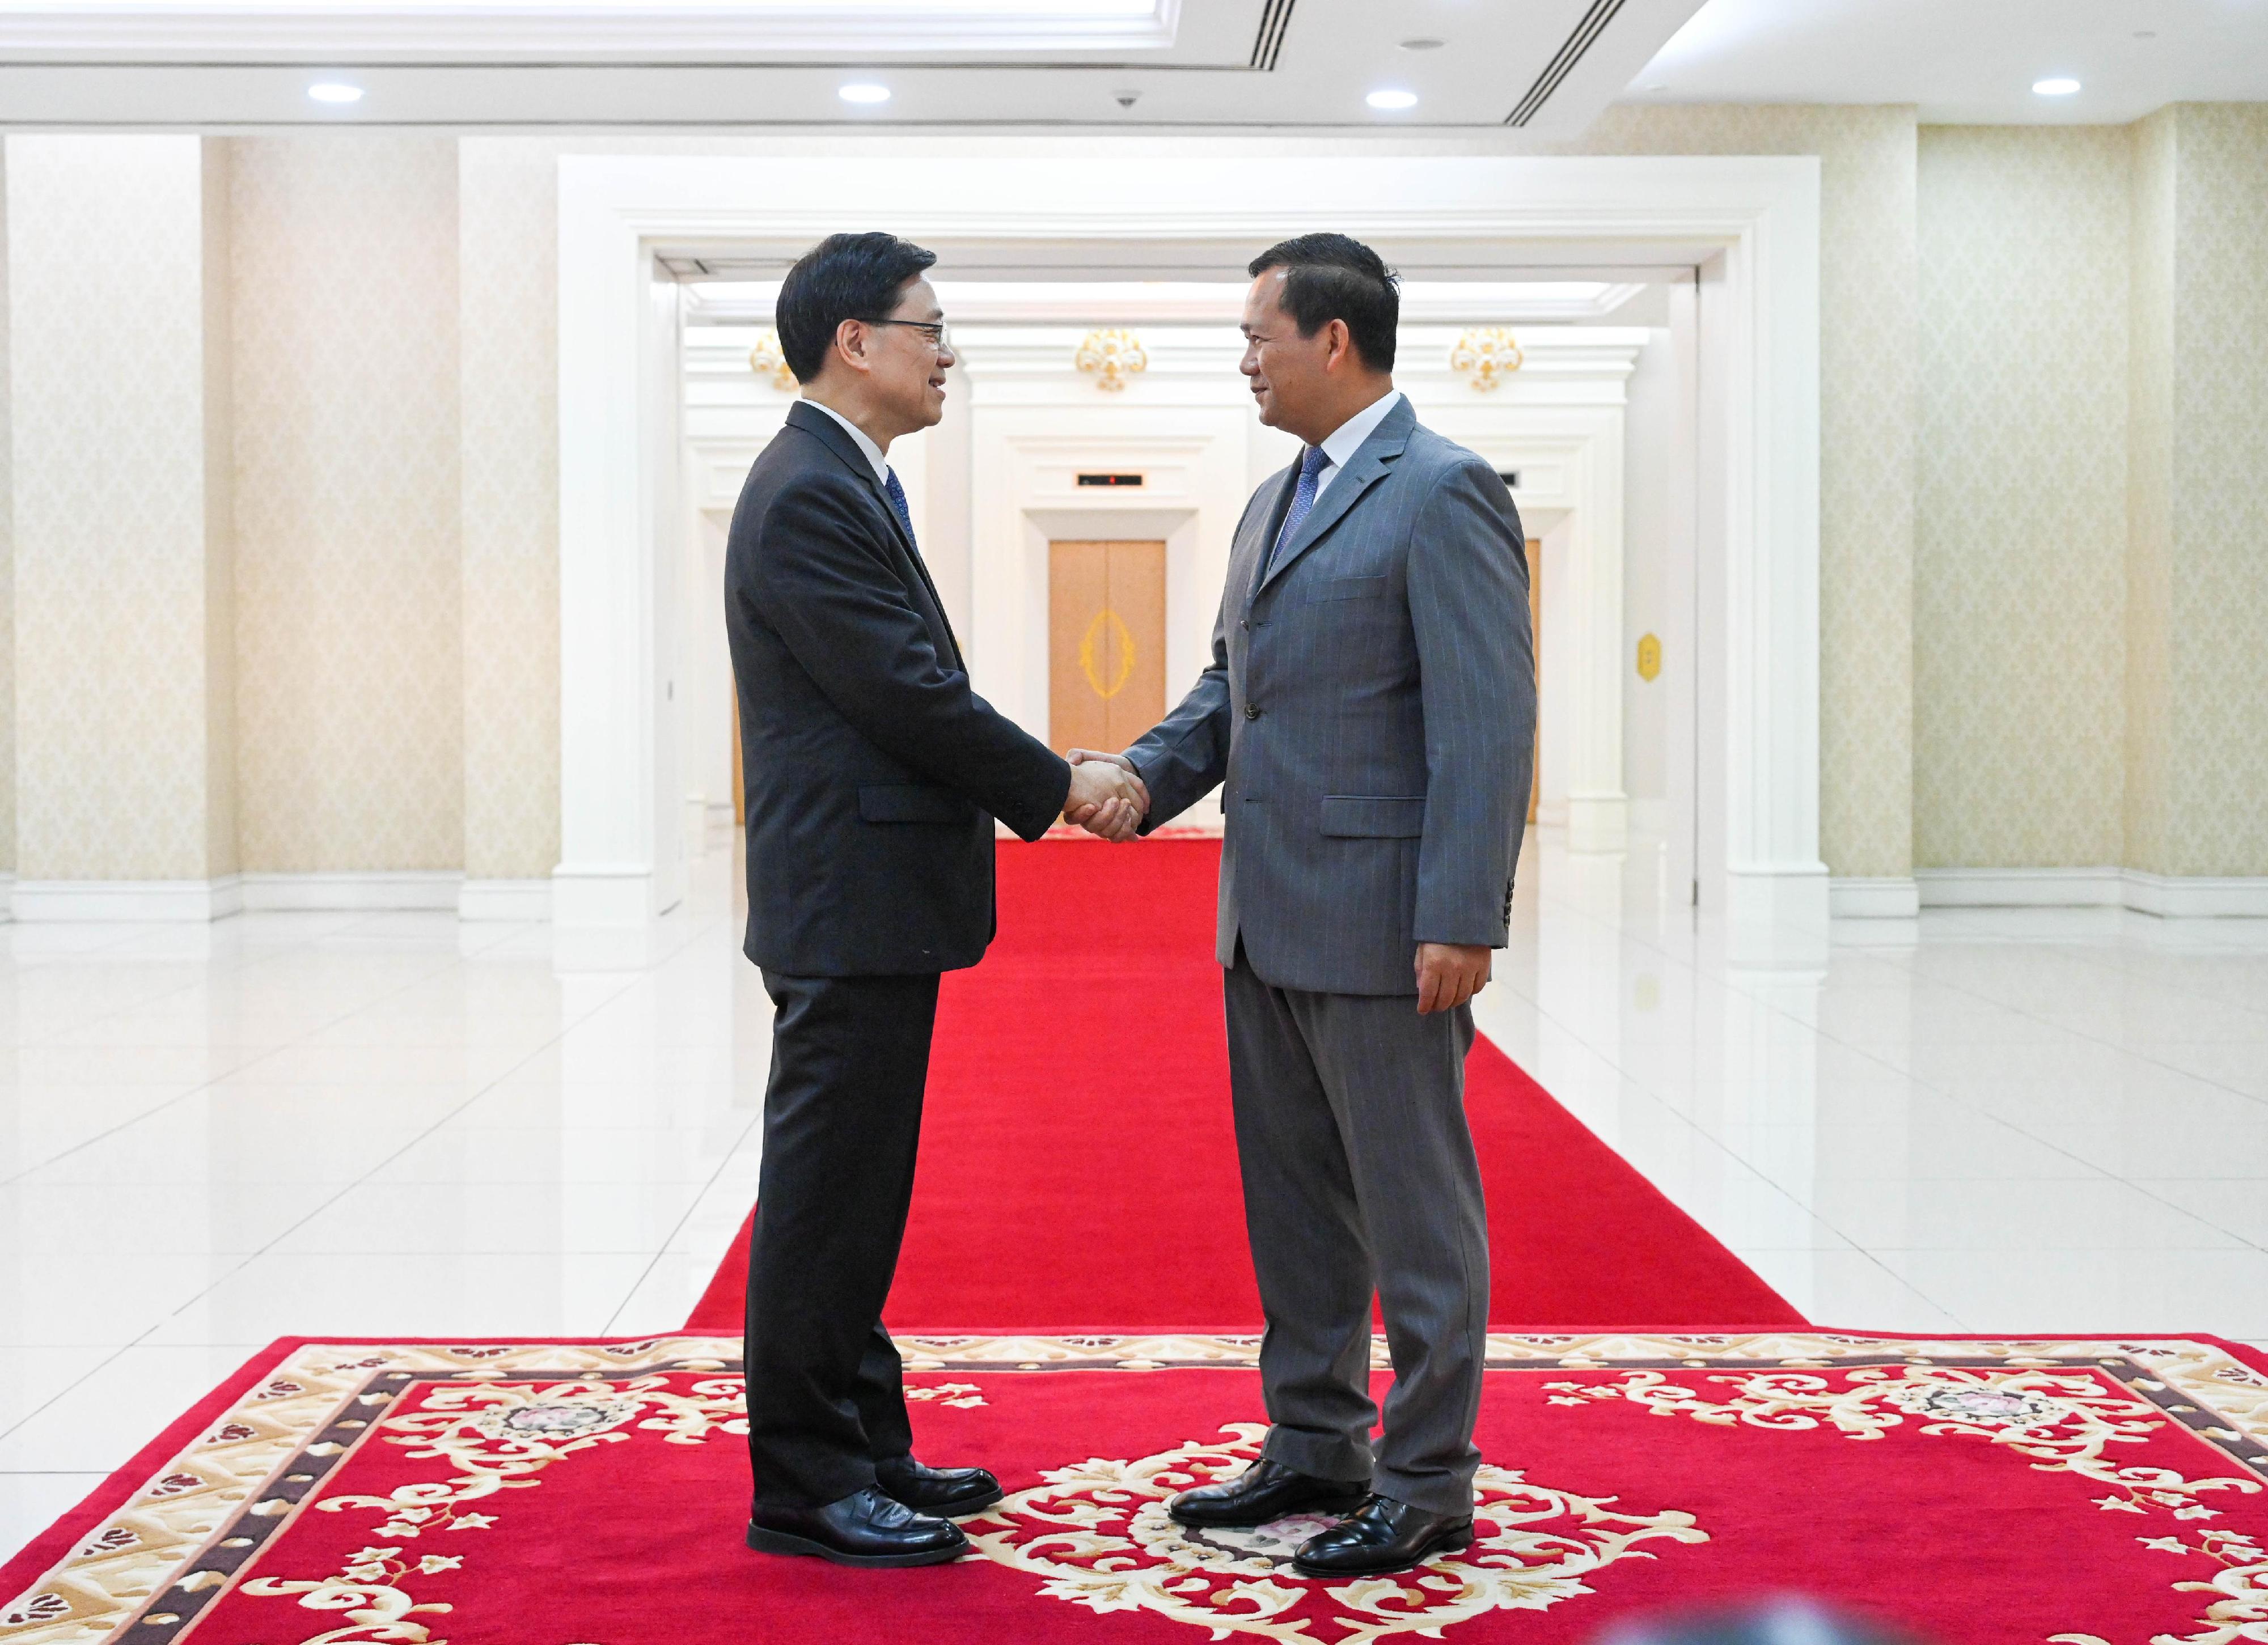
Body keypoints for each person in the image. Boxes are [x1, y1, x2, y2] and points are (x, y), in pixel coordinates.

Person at [1076, 233, 1535, 1578]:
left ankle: (1427, 1476)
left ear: (1332, 339)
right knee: (1295, 1203)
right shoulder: (1273, 499)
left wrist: (1461, 913)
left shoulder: (1440, 489)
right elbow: (1235, 690)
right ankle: (1313, 1440)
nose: (1244, 360)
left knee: (1414, 1212)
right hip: (1262, 913)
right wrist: (1139, 775)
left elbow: (1486, 722)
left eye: (1255, 337)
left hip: (1389, 921)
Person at [725, 231, 1146, 1568]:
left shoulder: (846, 479)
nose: (946, 350)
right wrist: (1062, 784)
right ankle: (803, 1481)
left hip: (864, 892)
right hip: (845, 893)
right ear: (856, 339)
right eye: (931, 326)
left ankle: (862, 1440)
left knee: (858, 1188)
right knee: (824, 1194)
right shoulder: (806, 490)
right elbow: (905, 693)